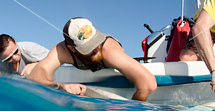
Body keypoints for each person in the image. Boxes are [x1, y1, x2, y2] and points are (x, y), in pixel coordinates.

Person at [27, 17, 157, 101]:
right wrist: (60, 85)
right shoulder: (62, 50)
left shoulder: (109, 50)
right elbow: (35, 77)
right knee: (28, 70)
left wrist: (132, 110)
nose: (96, 47)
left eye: (95, 41)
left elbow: (149, 84)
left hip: (113, 63)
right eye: (89, 47)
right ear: (71, 48)